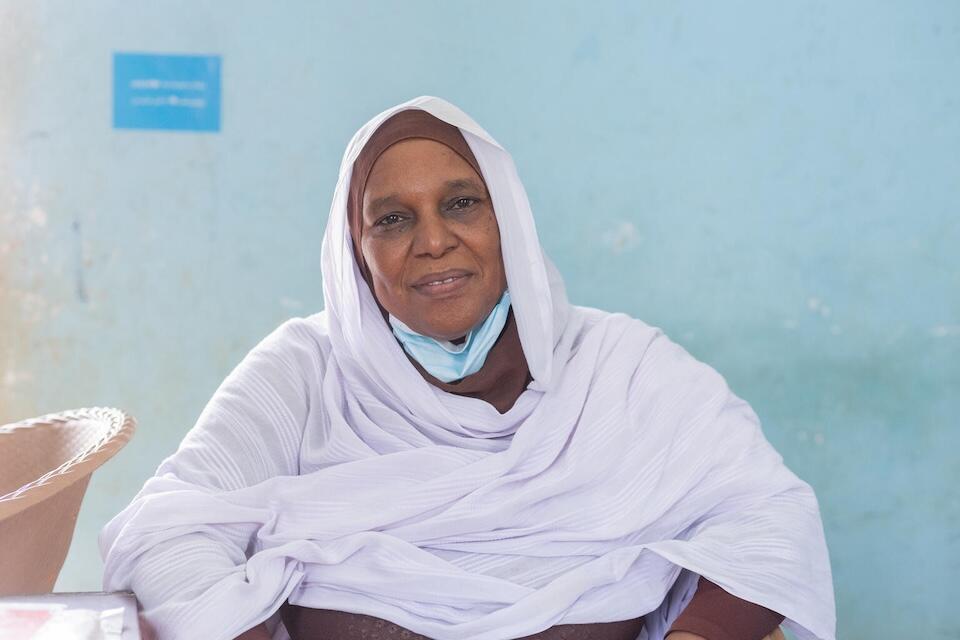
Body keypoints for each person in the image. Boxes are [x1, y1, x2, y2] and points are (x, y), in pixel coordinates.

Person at [100, 97, 836, 640]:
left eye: (461, 204)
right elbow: (169, 529)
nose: (434, 241)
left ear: (507, 220)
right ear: (354, 251)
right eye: (392, 218)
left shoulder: (622, 367)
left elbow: (766, 516)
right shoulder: (305, 369)